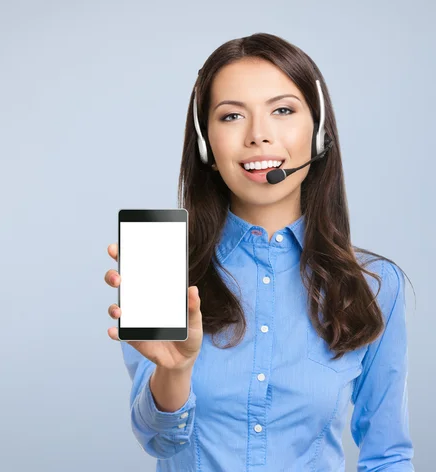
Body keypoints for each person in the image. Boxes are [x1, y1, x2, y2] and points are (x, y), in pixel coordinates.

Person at [104, 32, 415, 471]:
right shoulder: (165, 271)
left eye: (283, 110)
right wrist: (174, 371)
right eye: (232, 117)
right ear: (205, 145)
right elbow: (158, 442)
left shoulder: (374, 285)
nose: (259, 137)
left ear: (319, 134)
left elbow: (389, 457)